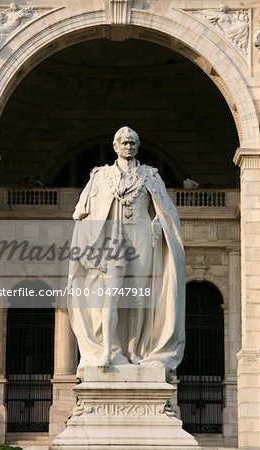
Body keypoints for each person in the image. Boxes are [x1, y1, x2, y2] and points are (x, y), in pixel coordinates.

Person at [67, 127, 185, 379]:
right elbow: (83, 212)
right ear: (115, 146)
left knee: (139, 297)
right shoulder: (101, 175)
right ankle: (108, 351)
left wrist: (160, 223)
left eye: (132, 142)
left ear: (137, 146)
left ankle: (136, 352)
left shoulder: (150, 175)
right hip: (112, 238)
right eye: (124, 142)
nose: (128, 146)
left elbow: (166, 210)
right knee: (110, 296)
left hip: (141, 235)